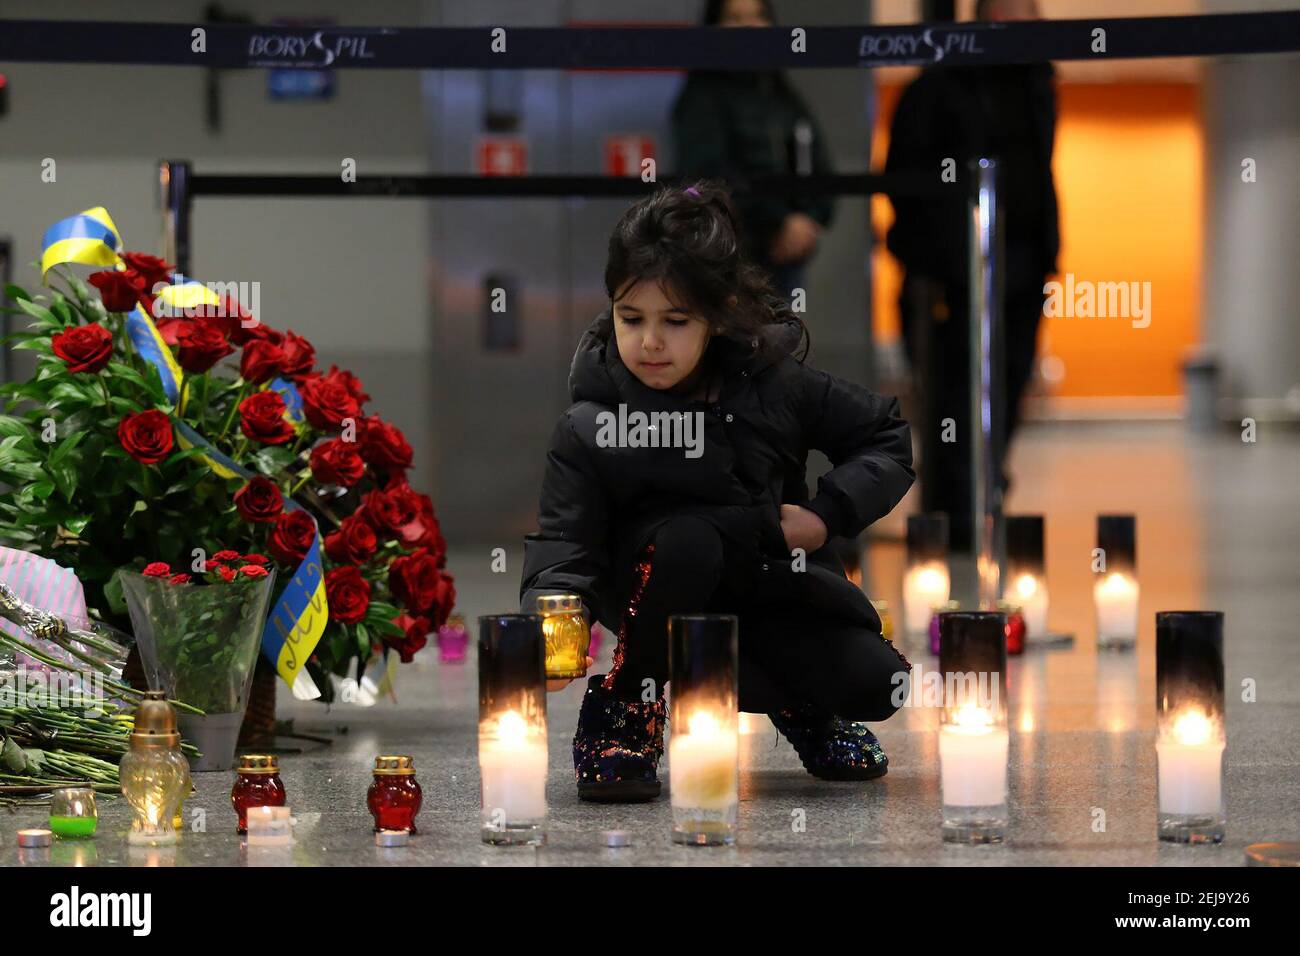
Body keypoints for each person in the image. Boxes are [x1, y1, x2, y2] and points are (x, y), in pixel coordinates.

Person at [520, 181, 915, 803]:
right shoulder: (591, 421)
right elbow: (565, 539)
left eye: (675, 322)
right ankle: (627, 707)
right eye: (632, 318)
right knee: (689, 541)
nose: (650, 341)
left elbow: (886, 435)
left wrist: (824, 514)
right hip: (656, 596)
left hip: (767, 583)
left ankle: (802, 705)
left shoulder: (776, 385)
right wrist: (555, 617)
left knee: (877, 683)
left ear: (719, 313)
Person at [884, 0, 1059, 551]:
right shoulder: (938, 87)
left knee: (1008, 378)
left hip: (1024, 259)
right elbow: (907, 182)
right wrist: (934, 261)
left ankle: (986, 493)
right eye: (1018, 10)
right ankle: (954, 511)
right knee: (952, 392)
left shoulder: (1035, 83)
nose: (1031, 20)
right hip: (951, 271)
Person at [671, 0, 836, 299]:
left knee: (784, 340)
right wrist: (779, 221)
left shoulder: (781, 93)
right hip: (729, 258)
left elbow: (817, 162)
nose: (748, 25)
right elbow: (708, 177)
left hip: (785, 257)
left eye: (757, 16)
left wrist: (808, 218)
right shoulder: (702, 96)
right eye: (734, 18)